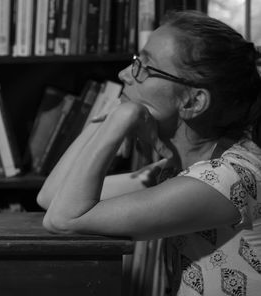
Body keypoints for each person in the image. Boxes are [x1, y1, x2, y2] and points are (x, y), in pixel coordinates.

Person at [37, 10, 261, 296]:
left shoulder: (228, 179)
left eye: (145, 67)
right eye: (135, 61)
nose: (123, 74)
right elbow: (53, 198)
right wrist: (113, 116)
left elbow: (64, 220)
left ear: (193, 101)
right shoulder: (180, 169)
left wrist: (121, 118)